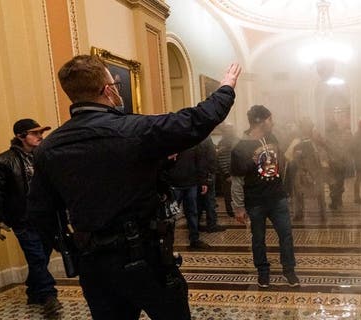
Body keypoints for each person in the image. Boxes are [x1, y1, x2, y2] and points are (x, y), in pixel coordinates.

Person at [26, 55, 241, 319]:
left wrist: (70, 246)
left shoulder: (49, 147)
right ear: (107, 90)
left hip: (94, 262)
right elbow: (195, 120)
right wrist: (226, 88)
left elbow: (40, 212)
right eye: (113, 83)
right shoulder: (133, 130)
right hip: (145, 255)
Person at [0, 119, 61, 317]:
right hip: (23, 219)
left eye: (40, 132)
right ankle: (49, 297)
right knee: (36, 257)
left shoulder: (44, 157)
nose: (40, 136)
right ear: (20, 136)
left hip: (46, 219)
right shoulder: (1, 162)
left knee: (40, 258)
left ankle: (34, 292)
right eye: (35, 133)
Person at [231, 105, 299, 288]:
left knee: (286, 235)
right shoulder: (240, 148)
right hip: (255, 202)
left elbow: (280, 162)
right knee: (258, 239)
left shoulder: (272, 137)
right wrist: (238, 207)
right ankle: (263, 272)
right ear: (260, 121)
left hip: (277, 198)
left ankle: (289, 270)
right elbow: (237, 181)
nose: (273, 122)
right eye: (270, 119)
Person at [163, 146, 211, 249]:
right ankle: (167, 242)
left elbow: (200, 161)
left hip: (191, 183)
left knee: (192, 213)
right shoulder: (170, 140)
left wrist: (203, 180)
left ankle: (194, 239)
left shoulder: (193, 142)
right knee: (170, 215)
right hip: (173, 185)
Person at [195, 135, 226, 232]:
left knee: (200, 201)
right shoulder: (205, 138)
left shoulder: (198, 137)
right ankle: (212, 224)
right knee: (210, 200)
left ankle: (196, 224)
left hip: (201, 174)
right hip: (207, 174)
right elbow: (207, 159)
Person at [217, 123, 240, 217]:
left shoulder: (236, 140)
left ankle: (236, 211)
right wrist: (227, 173)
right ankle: (231, 212)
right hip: (229, 172)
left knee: (236, 193)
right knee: (229, 194)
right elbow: (222, 158)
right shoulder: (224, 142)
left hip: (236, 171)